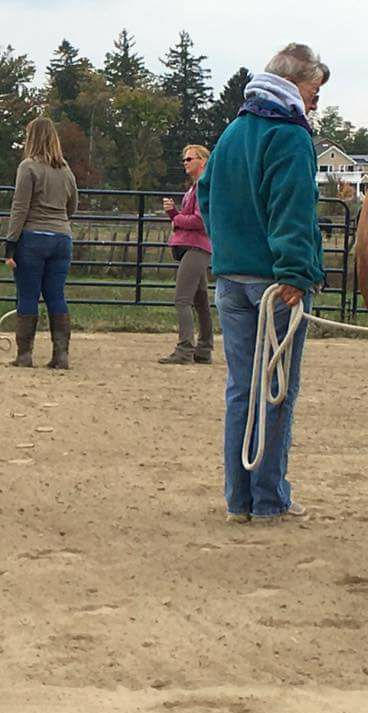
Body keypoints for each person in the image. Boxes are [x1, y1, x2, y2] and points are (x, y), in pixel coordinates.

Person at [198, 43, 328, 523]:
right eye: (314, 89)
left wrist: (228, 249)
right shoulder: (290, 136)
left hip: (231, 281)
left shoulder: (233, 132)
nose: (315, 100)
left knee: (241, 390)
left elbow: (205, 194)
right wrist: (294, 270)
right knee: (276, 390)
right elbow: (293, 205)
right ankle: (271, 500)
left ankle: (239, 500)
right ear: (294, 83)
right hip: (275, 285)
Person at [4, 117, 79, 369]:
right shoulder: (66, 170)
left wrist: (10, 242)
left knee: (28, 295)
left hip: (33, 238)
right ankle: (61, 355)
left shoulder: (28, 167)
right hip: (62, 238)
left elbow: (20, 207)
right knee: (56, 295)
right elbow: (73, 206)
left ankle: (24, 355)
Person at [160, 144, 213, 364]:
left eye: (189, 159)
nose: (185, 163)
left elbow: (200, 221)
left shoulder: (201, 187)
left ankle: (185, 349)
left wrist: (175, 215)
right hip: (199, 246)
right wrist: (176, 215)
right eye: (184, 159)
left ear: (202, 161)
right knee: (200, 300)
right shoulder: (197, 187)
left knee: (182, 299)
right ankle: (204, 348)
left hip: (196, 247)